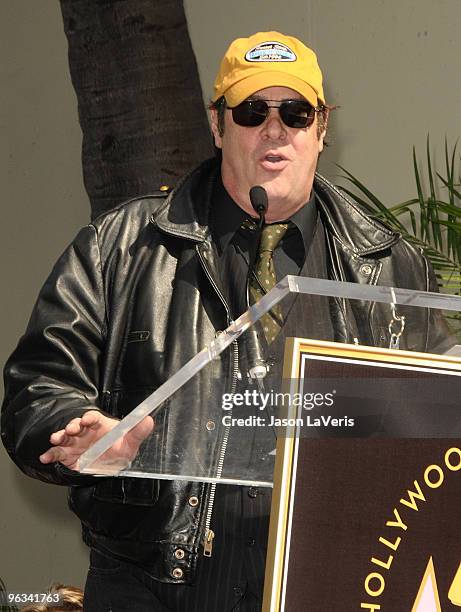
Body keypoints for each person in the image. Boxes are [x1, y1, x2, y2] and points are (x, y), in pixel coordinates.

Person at [1, 31, 448, 611]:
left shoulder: (390, 264)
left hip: (331, 584)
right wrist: (79, 428)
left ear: (321, 129)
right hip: (155, 589)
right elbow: (36, 387)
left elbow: (436, 418)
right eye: (251, 110)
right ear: (218, 126)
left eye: (295, 111)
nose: (274, 127)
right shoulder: (121, 248)